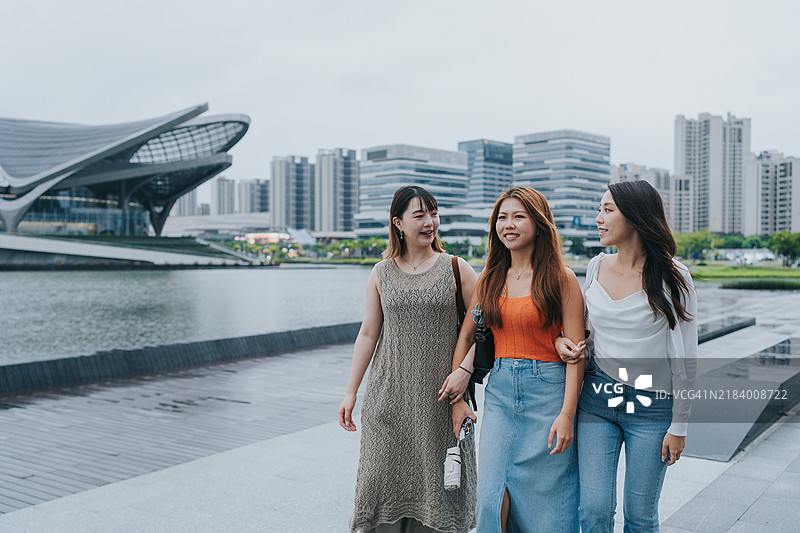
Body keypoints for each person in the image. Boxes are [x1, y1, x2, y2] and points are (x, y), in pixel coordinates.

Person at [438, 187, 585, 533]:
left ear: (538, 222)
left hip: (549, 393)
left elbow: (577, 355)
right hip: (501, 392)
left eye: (519, 216)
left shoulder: (561, 278)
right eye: (502, 218)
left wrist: (567, 415)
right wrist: (459, 399)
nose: (509, 224)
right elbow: (466, 336)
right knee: (490, 497)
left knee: (547, 505)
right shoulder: (490, 277)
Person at [556, 179, 698, 533]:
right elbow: (584, 332)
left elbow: (686, 359)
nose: (598, 218)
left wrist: (679, 426)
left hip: (651, 408)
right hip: (597, 401)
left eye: (607, 210)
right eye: (599, 209)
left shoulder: (673, 275)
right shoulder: (595, 267)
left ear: (634, 217)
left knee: (640, 516)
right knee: (593, 509)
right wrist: (563, 342)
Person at [339, 185, 478, 533]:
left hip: (440, 402)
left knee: (440, 491)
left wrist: (464, 374)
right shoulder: (381, 273)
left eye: (433, 213)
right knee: (380, 485)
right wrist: (351, 393)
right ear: (398, 223)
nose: (430, 222)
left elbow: (485, 329)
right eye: (419, 215)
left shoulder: (457, 269)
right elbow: (368, 334)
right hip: (388, 400)